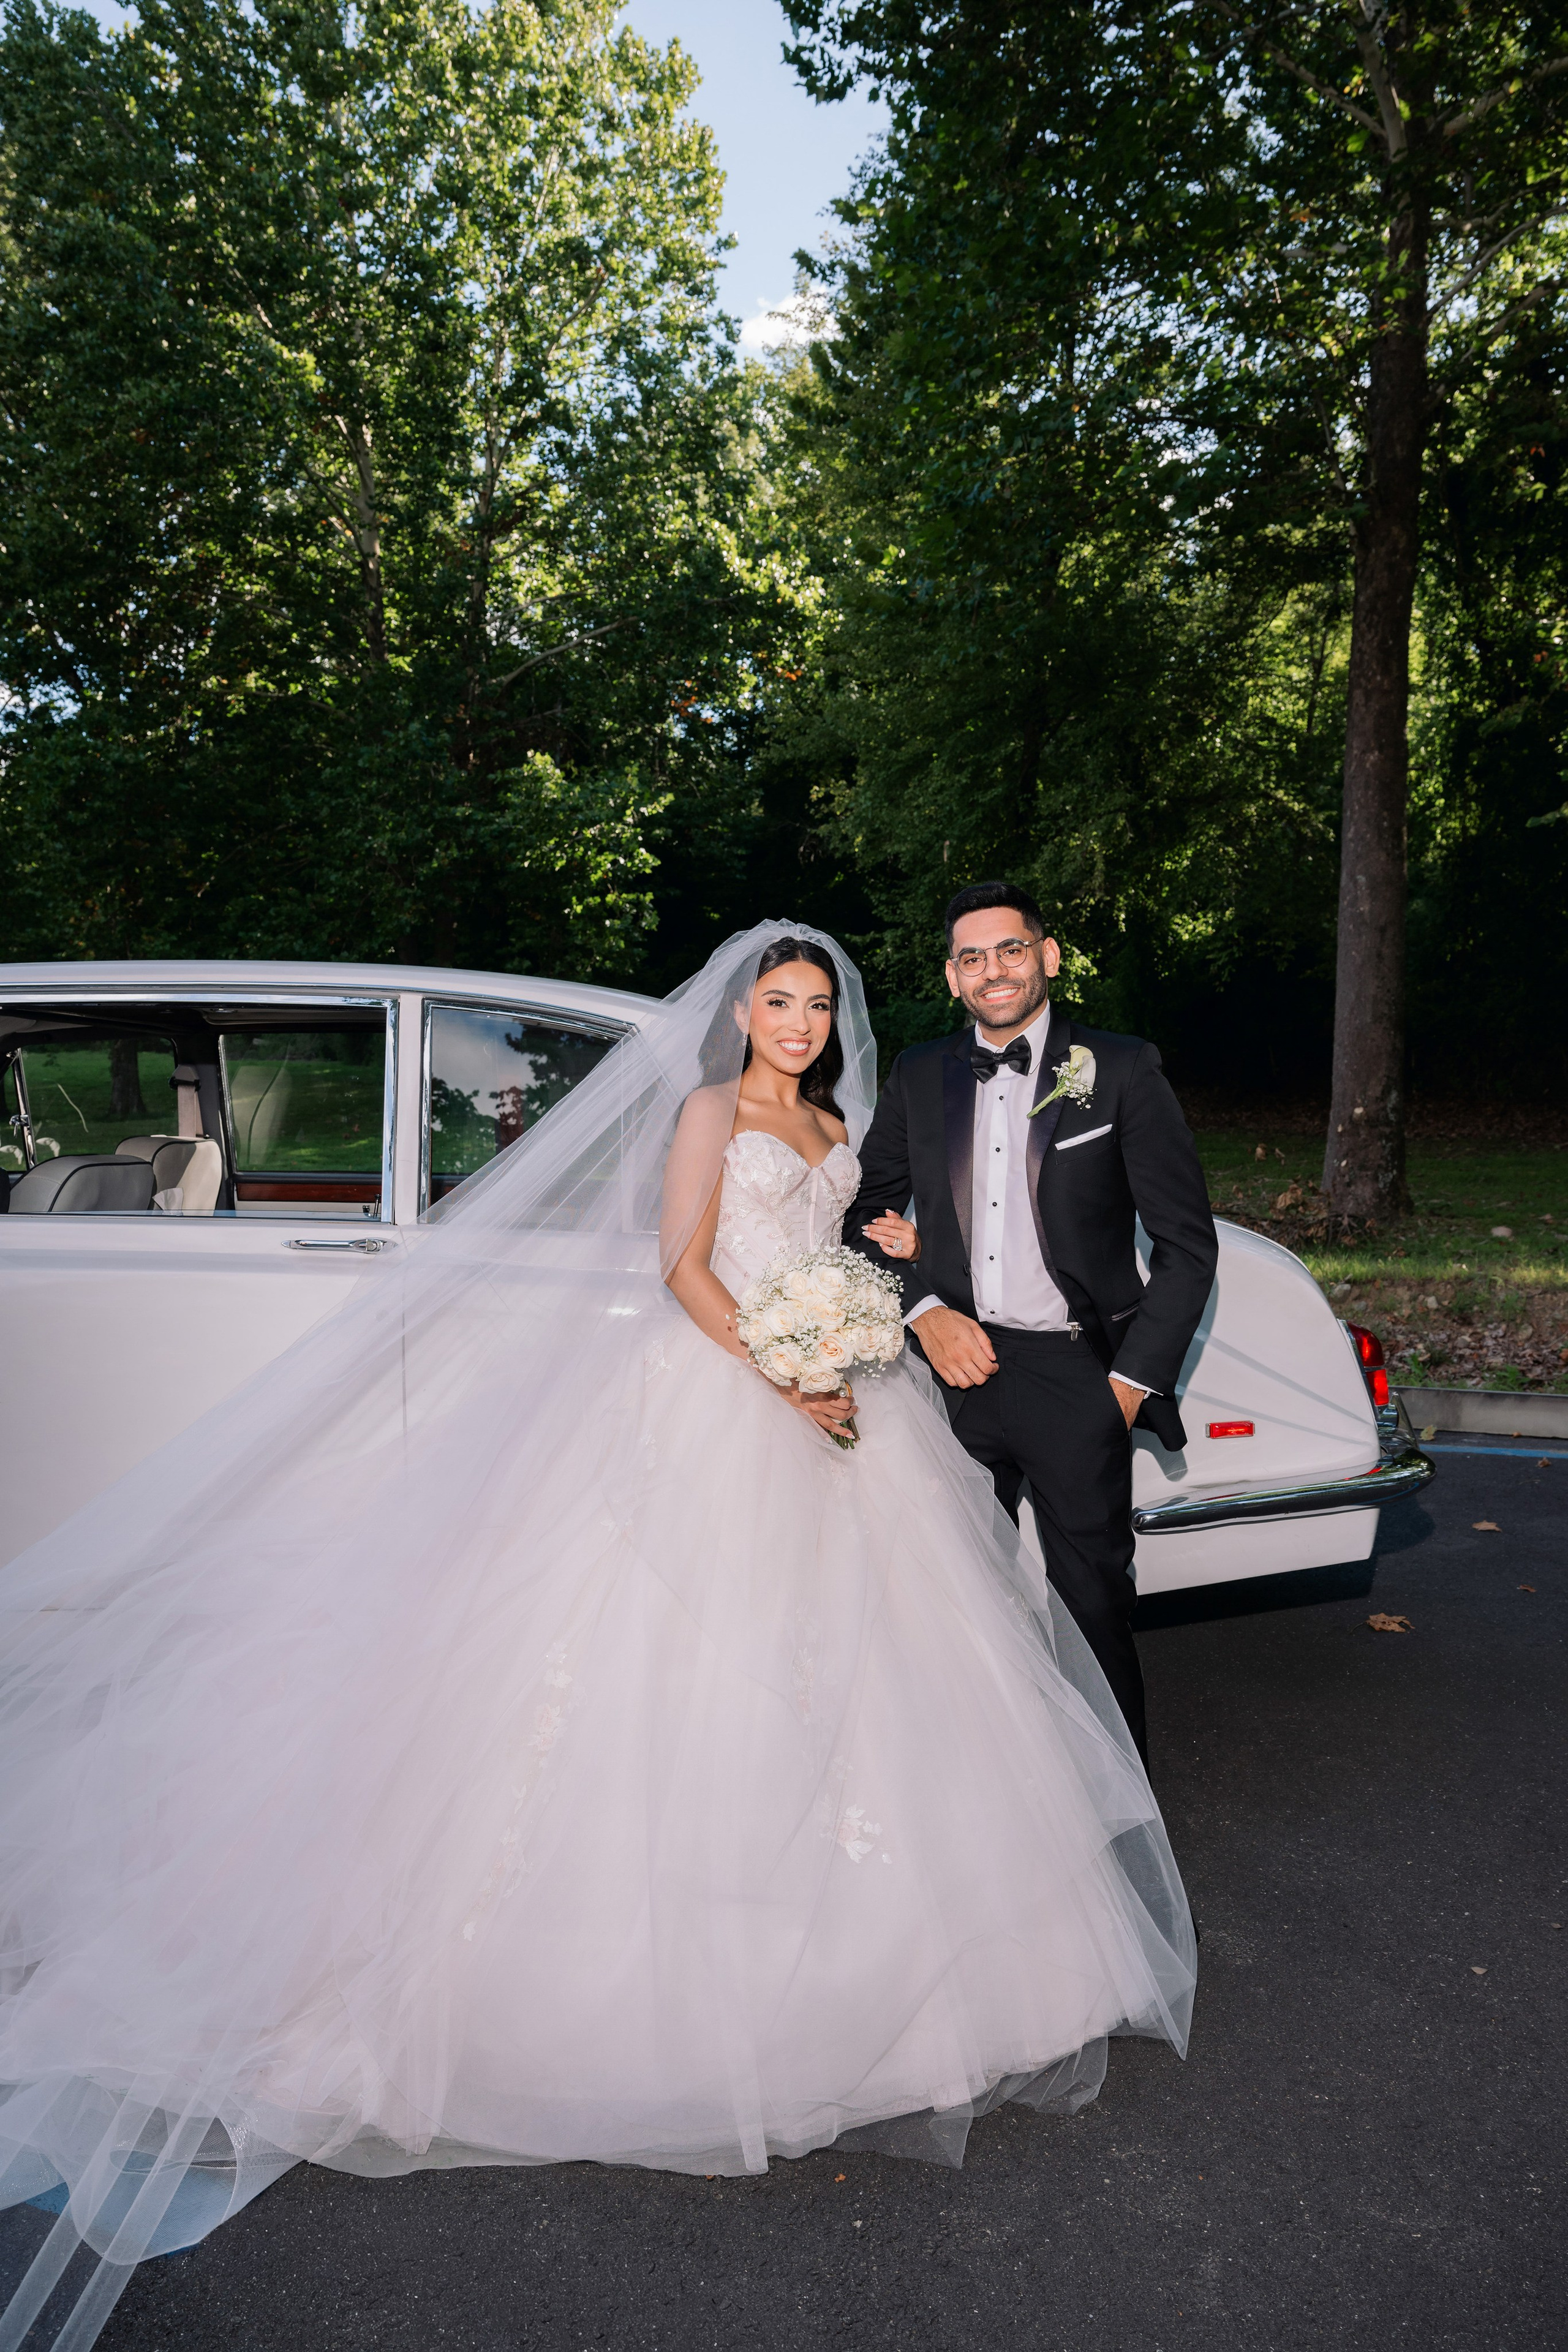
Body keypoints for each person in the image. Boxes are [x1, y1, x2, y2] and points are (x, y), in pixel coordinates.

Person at [0, 923, 1194, 2352]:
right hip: (718, 1401)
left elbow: (887, 1234)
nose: (801, 1023)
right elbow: (684, 1264)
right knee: (664, 1670)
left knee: (880, 1668)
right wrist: (779, 1368)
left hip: (839, 1411)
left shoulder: (842, 1122)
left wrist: (871, 1290)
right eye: (778, 1001)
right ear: (739, 1010)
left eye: (819, 1004)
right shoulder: (708, 1111)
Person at [846, 884, 1218, 1764]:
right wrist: (925, 1313)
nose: (993, 971)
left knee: (1089, 1604)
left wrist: (1125, 1386)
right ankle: (982, 1791)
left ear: (1048, 957)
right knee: (950, 1597)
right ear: (951, 976)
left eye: (1010, 950)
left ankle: (1123, 1816)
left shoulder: (1122, 1068)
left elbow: (1187, 1247)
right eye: (972, 957)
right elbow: (865, 1211)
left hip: (1075, 1376)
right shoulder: (918, 1074)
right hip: (950, 1375)